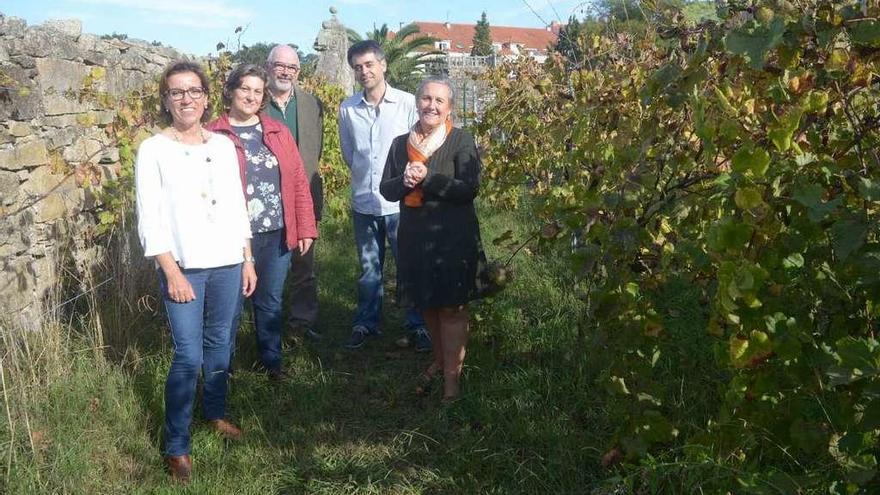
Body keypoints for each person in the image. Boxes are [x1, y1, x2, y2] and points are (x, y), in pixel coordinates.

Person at [135, 60, 256, 483]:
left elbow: (238, 205)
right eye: (177, 92)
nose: (186, 99)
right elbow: (150, 219)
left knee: (221, 342)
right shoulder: (153, 149)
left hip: (227, 262)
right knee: (188, 355)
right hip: (184, 267)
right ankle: (177, 445)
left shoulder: (222, 145)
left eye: (194, 91)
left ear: (206, 97)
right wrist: (171, 271)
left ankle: (216, 412)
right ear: (166, 100)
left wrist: (247, 258)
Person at [206, 64, 317, 380]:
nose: (251, 96)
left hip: (276, 231)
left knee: (269, 301)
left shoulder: (276, 131)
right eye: (245, 88)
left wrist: (305, 224)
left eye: (257, 91)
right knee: (229, 306)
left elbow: (297, 178)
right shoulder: (213, 134)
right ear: (230, 91)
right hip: (232, 237)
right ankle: (220, 371)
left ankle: (272, 363)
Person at [379, 76, 486, 401]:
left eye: (440, 101)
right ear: (417, 102)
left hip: (453, 239)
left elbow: (469, 190)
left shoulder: (461, 140)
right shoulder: (400, 144)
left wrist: (430, 179)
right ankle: (440, 362)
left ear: (449, 108)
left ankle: (452, 385)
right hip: (415, 238)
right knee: (427, 303)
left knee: (452, 308)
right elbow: (387, 189)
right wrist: (404, 180)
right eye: (427, 98)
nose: (432, 106)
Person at [338, 40, 430, 351]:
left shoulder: (406, 104)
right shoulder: (347, 109)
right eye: (358, 67)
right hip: (364, 202)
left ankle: (417, 324)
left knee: (409, 265)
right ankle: (366, 323)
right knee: (368, 268)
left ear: (383, 65)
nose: (364, 71)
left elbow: (417, 149)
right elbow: (350, 154)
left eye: (368, 65)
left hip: (401, 204)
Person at [263, 44, 326, 341]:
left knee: (304, 265)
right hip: (265, 199)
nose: (286, 71)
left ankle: (302, 322)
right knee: (266, 267)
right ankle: (265, 325)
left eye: (292, 67)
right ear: (268, 66)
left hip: (304, 197)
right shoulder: (254, 101)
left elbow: (316, 151)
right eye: (280, 65)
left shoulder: (312, 105)